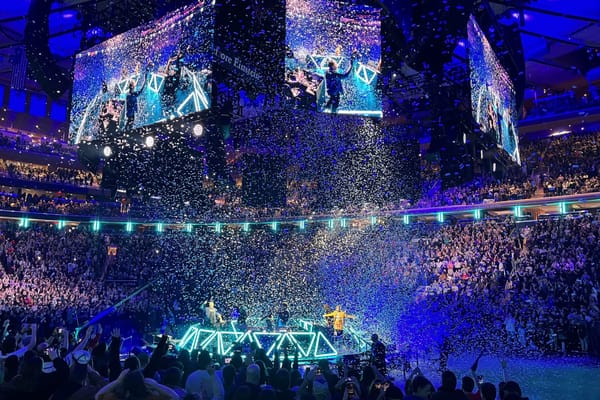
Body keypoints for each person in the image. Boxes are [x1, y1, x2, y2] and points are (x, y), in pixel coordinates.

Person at [124, 66, 149, 131]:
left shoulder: (129, 94)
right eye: (134, 84)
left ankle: (126, 130)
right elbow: (141, 91)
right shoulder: (131, 95)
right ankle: (127, 131)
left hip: (130, 113)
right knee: (130, 122)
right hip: (130, 113)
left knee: (129, 122)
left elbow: (140, 91)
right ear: (132, 86)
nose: (135, 85)